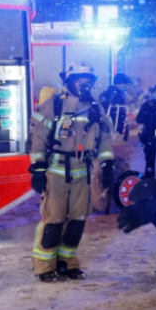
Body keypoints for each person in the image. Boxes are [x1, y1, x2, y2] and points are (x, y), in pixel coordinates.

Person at [28, 62, 114, 283]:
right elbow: (37, 139)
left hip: (82, 172)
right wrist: (38, 167)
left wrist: (106, 164)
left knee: (77, 221)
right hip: (56, 172)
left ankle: (67, 264)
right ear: (69, 82)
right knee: (53, 221)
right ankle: (44, 266)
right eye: (79, 80)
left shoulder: (96, 109)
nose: (84, 84)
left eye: (88, 81)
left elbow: (104, 139)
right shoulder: (52, 107)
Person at [99, 73, 132, 140]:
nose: (127, 86)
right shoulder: (116, 95)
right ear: (121, 83)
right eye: (126, 84)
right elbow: (117, 111)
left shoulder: (106, 93)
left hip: (106, 123)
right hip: (116, 124)